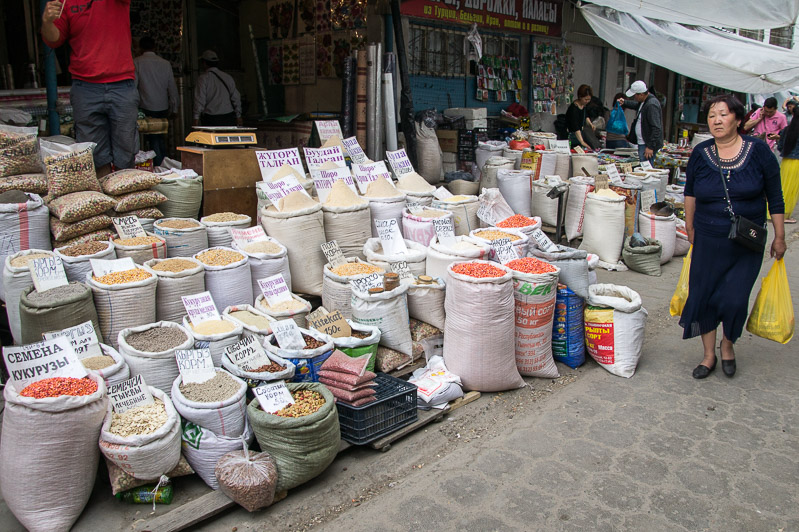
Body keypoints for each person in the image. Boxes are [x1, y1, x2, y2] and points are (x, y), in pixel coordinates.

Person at [680, 94, 785, 380]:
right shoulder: (701, 153)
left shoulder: (759, 151)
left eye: (723, 114)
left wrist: (780, 236)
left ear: (738, 120)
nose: (716, 120)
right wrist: (689, 228)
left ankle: (728, 345)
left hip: (745, 242)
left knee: (734, 298)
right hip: (708, 238)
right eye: (712, 115)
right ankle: (709, 355)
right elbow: (689, 192)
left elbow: (775, 196)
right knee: (704, 295)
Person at [41, 0, 139, 176]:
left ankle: (126, 196)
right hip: (85, 87)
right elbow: (53, 40)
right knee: (95, 154)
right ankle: (104, 199)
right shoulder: (64, 2)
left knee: (126, 150)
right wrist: (47, 22)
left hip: (121, 83)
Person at [134, 36, 179, 166]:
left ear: (141, 48)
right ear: (155, 47)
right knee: (160, 137)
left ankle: (157, 164)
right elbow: (172, 88)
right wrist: (175, 108)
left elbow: (134, 86)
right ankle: (162, 163)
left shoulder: (137, 62)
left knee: (152, 138)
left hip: (145, 106)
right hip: (163, 106)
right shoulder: (165, 63)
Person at [618, 81, 663, 166]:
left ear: (641, 94)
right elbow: (636, 106)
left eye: (635, 95)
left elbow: (656, 127)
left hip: (646, 143)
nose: (634, 97)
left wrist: (650, 146)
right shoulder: (644, 102)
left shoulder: (651, 105)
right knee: (644, 165)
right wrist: (625, 103)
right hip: (643, 142)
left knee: (646, 167)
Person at [193, 50, 242, 127]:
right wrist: (238, 116)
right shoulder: (227, 77)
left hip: (211, 118)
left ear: (204, 63)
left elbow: (200, 100)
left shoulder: (203, 79)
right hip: (228, 117)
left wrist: (196, 118)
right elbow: (236, 97)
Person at [777, 106, 799, 224]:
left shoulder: (787, 129)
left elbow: (780, 146)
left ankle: (775, 212)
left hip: (786, 161)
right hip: (797, 163)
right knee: (792, 190)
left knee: (782, 187)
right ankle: (785, 215)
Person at [565, 85, 595, 150]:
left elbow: (585, 116)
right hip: (572, 136)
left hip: (580, 134)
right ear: (580, 97)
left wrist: (590, 124)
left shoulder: (583, 106)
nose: (587, 101)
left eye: (589, 99)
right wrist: (582, 142)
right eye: (585, 99)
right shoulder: (573, 109)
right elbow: (575, 127)